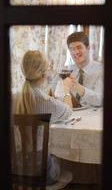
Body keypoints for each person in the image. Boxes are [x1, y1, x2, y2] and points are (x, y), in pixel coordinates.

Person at [15, 50, 74, 185]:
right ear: (43, 74)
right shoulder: (47, 102)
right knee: (65, 163)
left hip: (15, 167)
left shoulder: (13, 97)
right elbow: (69, 111)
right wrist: (66, 91)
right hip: (41, 172)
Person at [55, 31, 103, 107]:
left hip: (93, 115)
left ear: (88, 48)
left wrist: (78, 87)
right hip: (71, 115)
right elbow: (58, 96)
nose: (75, 52)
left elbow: (101, 100)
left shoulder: (101, 70)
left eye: (79, 47)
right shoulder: (67, 70)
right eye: (72, 49)